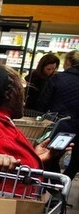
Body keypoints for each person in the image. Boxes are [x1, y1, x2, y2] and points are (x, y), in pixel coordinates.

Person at [38, 50, 79, 180]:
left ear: (67, 62)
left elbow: (43, 103)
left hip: (60, 125)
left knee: (52, 157)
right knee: (75, 162)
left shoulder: (57, 78)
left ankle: (53, 185)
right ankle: (64, 182)